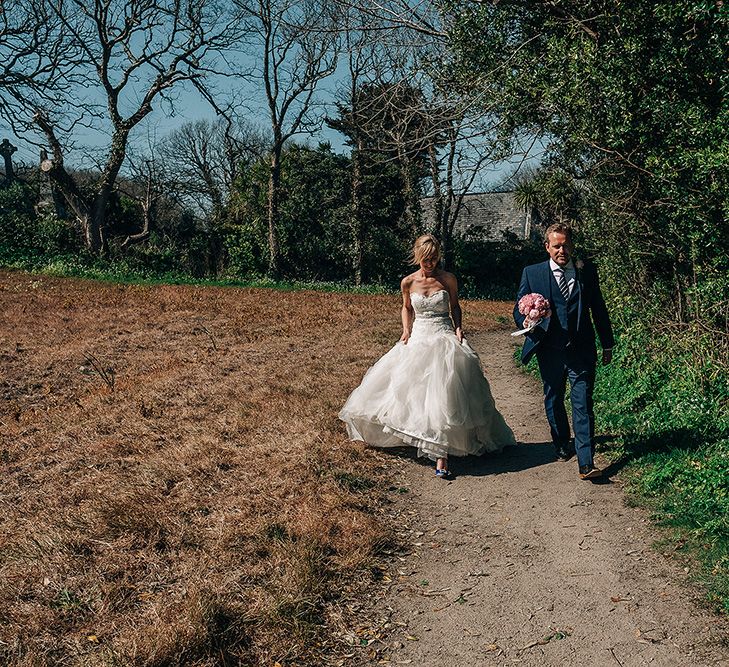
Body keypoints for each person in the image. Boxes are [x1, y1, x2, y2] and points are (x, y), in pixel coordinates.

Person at [339, 234, 515, 478]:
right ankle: (428, 442)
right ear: (418, 257)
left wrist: (458, 327)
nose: (430, 263)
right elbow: (406, 307)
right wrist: (406, 329)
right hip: (419, 336)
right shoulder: (408, 282)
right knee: (414, 393)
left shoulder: (448, 279)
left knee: (444, 392)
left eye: (433, 259)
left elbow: (454, 305)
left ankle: (441, 453)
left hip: (443, 335)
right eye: (425, 259)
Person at [514, 223, 615, 479]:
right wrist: (526, 319)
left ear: (572, 244)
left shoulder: (586, 271)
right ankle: (560, 441)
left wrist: (607, 342)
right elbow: (518, 309)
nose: (562, 250)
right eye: (557, 245)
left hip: (581, 348)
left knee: (582, 402)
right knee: (554, 397)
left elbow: (599, 308)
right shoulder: (532, 273)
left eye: (566, 244)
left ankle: (586, 462)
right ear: (547, 247)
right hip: (549, 348)